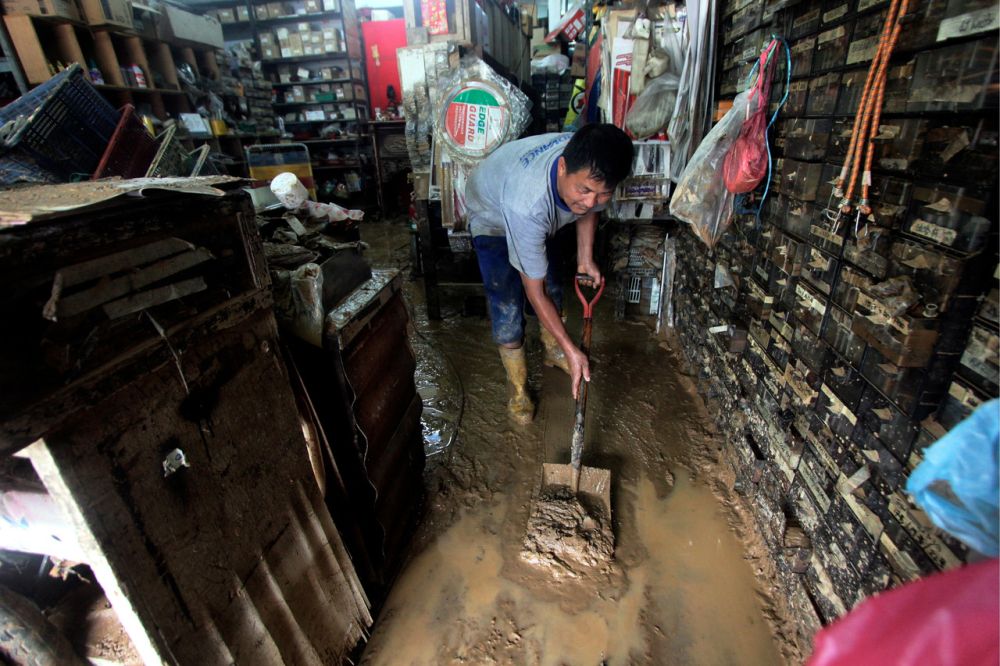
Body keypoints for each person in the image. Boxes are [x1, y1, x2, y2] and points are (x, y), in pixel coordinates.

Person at [465, 124, 634, 425]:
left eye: (603, 194)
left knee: (554, 286)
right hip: (493, 220)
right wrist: (574, 348)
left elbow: (589, 207)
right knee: (508, 307)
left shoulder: (586, 158)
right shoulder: (528, 205)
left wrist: (585, 257)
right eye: (584, 190)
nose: (591, 202)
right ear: (562, 168)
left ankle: (553, 351)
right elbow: (534, 291)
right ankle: (518, 389)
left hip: (534, 209)